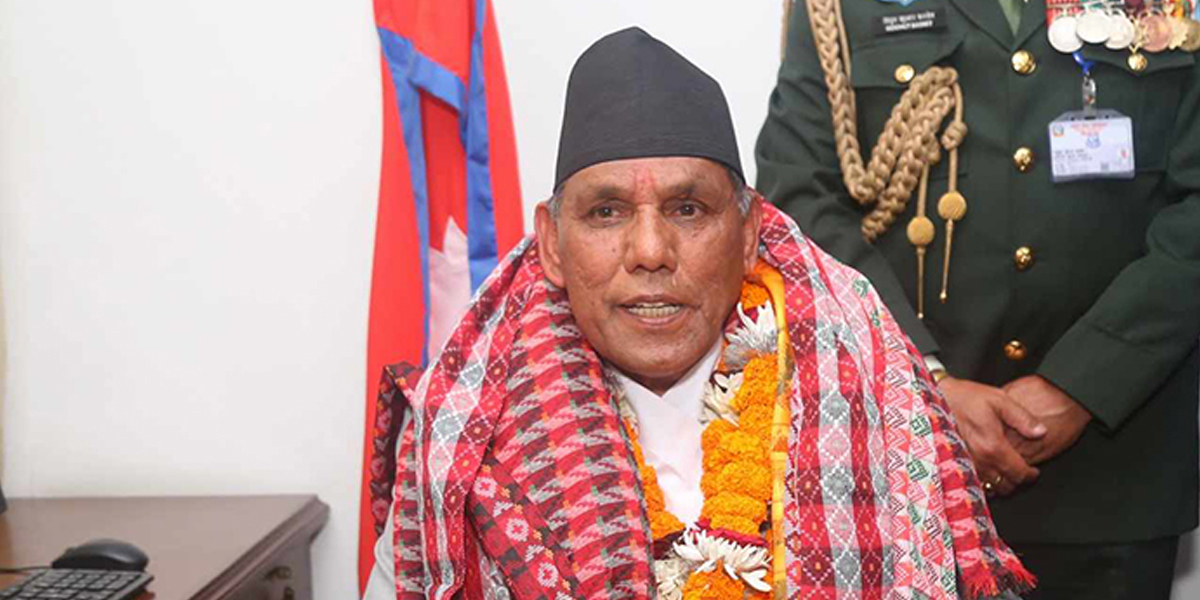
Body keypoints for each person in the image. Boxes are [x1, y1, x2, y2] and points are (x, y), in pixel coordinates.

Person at [364, 27, 1032, 600]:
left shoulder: (877, 409)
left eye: (688, 209)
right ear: (552, 245)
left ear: (747, 236)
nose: (650, 252)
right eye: (606, 212)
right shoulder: (462, 448)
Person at [756, 1, 1200, 599]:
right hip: (907, 473)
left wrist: (1083, 383)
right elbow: (798, 194)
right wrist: (927, 386)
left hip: (1114, 471)